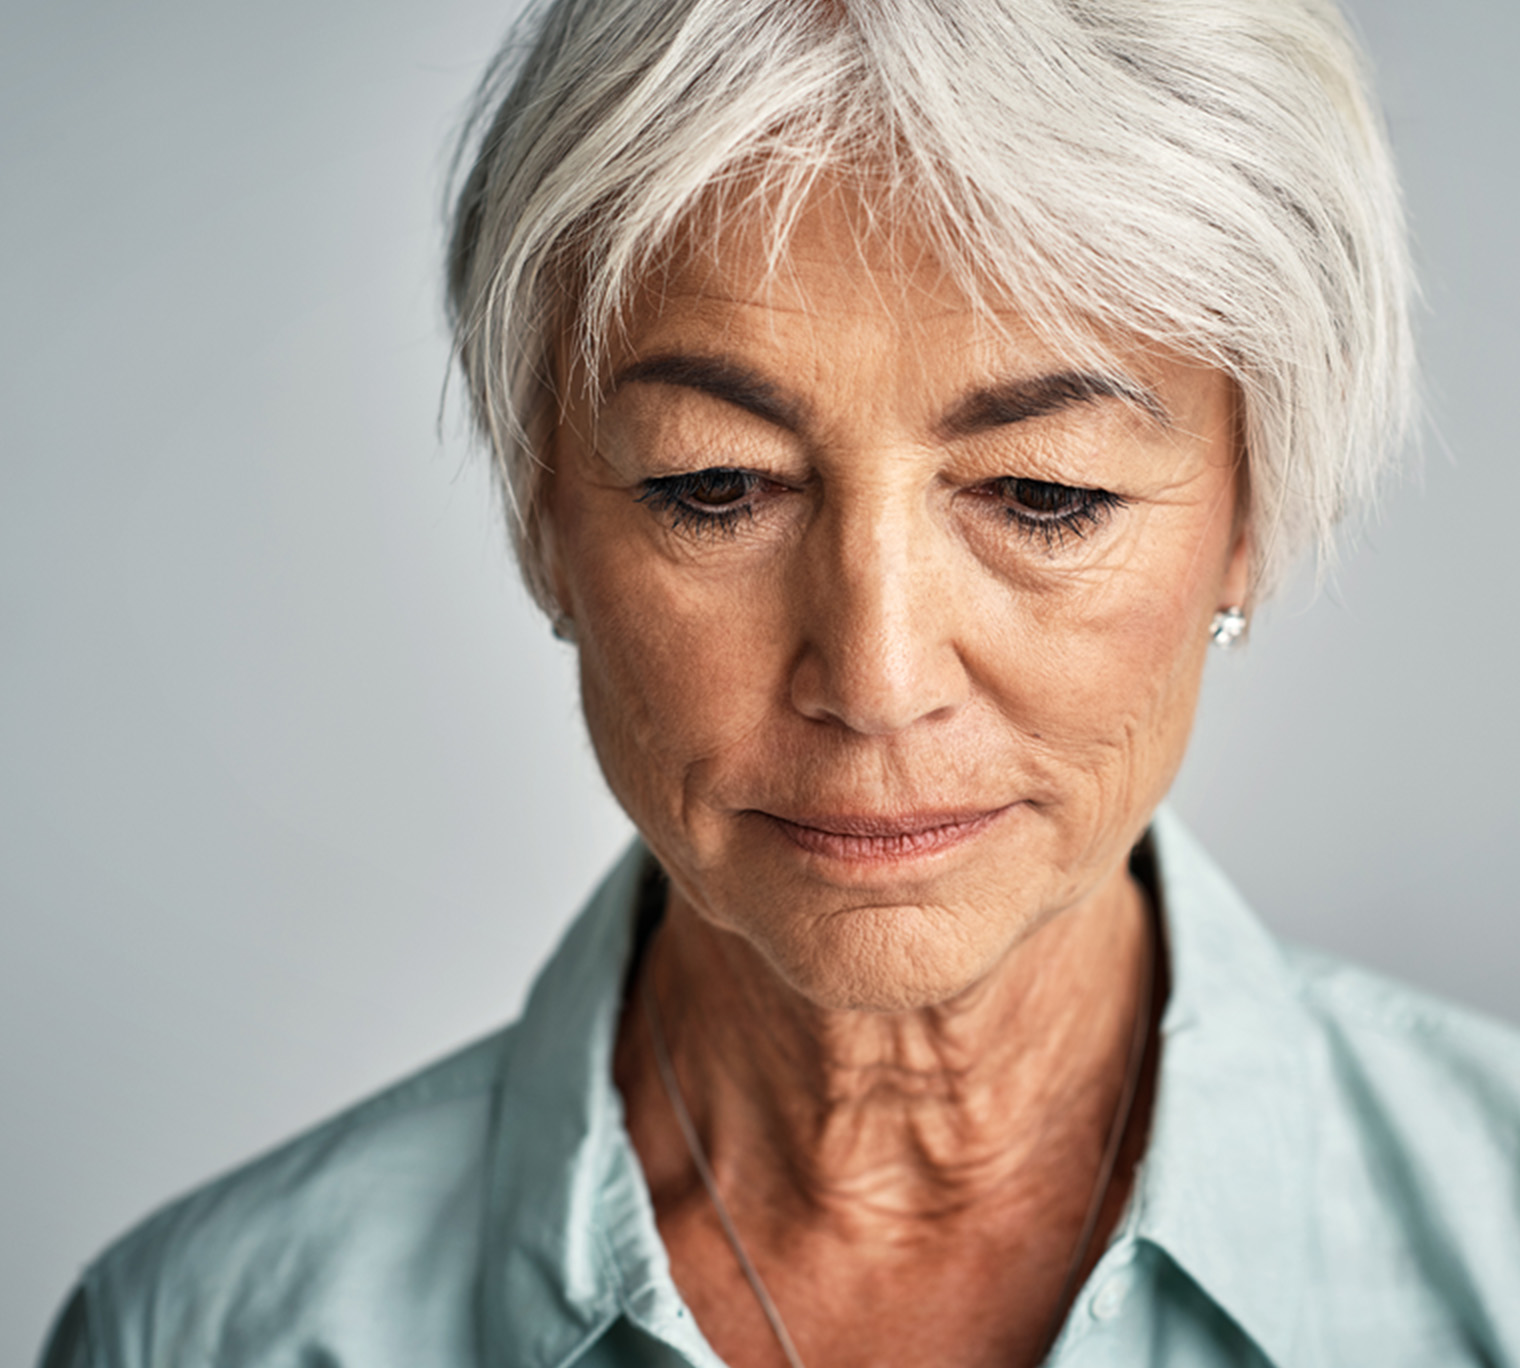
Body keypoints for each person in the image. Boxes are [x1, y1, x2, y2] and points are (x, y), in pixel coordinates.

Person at [37, 0, 1520, 1364]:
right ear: (542, 516)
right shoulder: (206, 1329)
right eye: (715, 486)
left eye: (1046, 495)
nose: (874, 680)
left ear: (1246, 523)